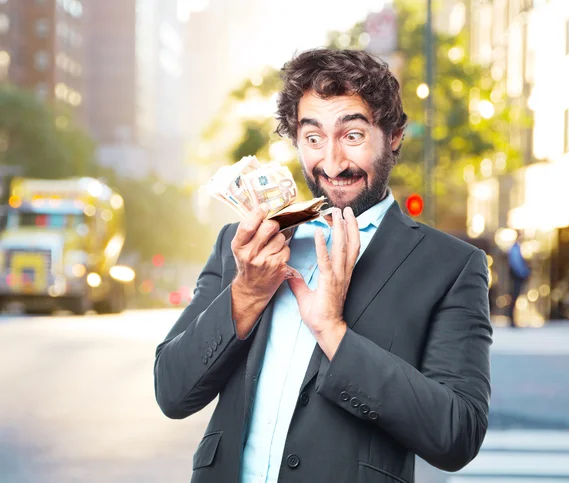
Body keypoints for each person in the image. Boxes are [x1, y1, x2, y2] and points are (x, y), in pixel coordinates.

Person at [154, 49, 492, 483]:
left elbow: (457, 435)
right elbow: (172, 392)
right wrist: (247, 295)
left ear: (393, 135)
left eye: (351, 135)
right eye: (313, 139)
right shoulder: (242, 248)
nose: (331, 164)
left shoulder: (451, 266)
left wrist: (333, 333)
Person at [507, 232, 531, 327]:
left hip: (517, 275)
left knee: (514, 297)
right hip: (517, 276)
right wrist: (524, 273)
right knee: (514, 297)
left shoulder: (516, 248)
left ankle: (512, 319)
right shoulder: (515, 249)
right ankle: (511, 319)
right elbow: (516, 263)